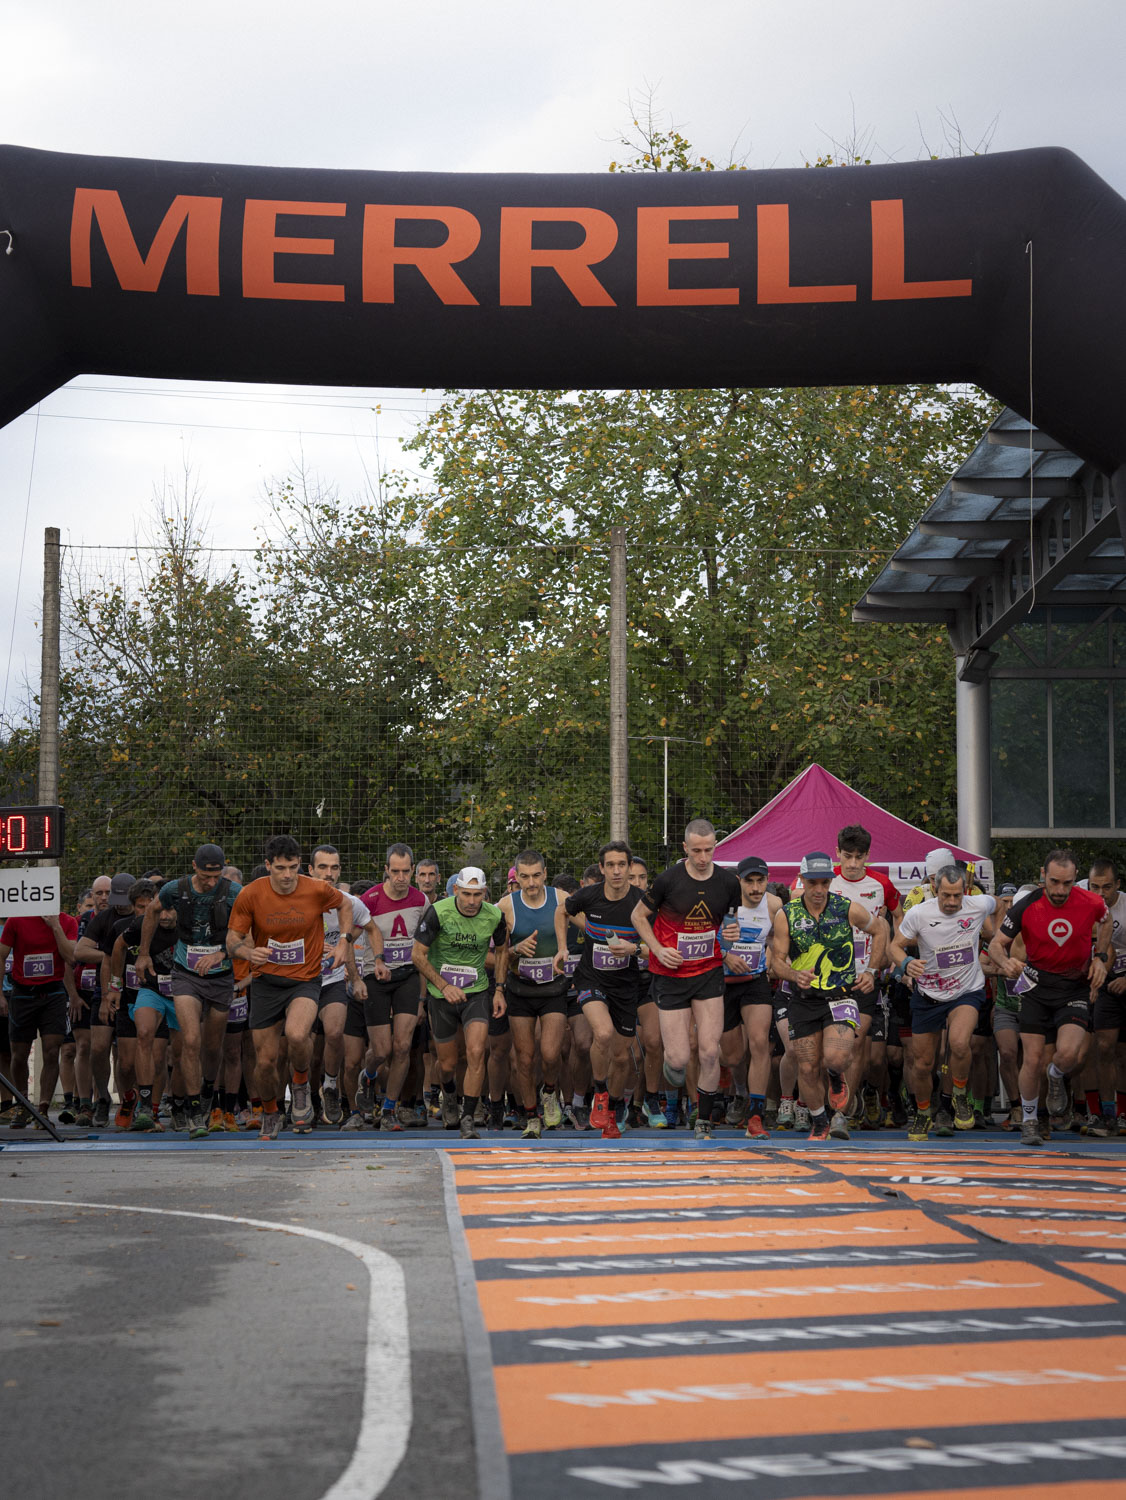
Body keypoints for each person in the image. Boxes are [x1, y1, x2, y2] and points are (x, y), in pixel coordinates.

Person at [226, 834, 351, 1140]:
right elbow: (231, 941)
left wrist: (344, 942)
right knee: (265, 1062)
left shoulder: (316, 889)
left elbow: (346, 904)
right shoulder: (250, 894)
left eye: (293, 867)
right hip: (266, 982)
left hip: (304, 979)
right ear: (268, 865)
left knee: (296, 1034)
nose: (287, 875)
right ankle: (270, 1112)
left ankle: (300, 1083)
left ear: (300, 865)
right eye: (280, 868)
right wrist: (248, 953)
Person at [988, 847, 1112, 1147]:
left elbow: (1106, 922)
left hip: (1074, 987)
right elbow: (996, 944)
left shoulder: (1091, 902)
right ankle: (1030, 1121)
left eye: (1067, 883)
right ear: (1043, 875)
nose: (1059, 890)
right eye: (1054, 882)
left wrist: (1100, 957)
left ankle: (1056, 1075)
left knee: (1069, 1054)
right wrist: (1005, 963)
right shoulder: (1026, 905)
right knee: (1031, 1059)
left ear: (1075, 878)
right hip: (1036, 987)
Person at [630, 819, 742, 1142]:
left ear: (715, 846)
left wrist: (731, 935)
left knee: (709, 1051)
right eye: (696, 851)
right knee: (678, 1058)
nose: (703, 857)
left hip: (708, 971)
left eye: (708, 850)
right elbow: (637, 916)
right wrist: (657, 949)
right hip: (671, 974)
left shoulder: (728, 883)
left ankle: (703, 1120)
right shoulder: (668, 880)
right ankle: (674, 1070)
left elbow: (729, 925)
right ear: (685, 848)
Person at [770, 850, 886, 1141]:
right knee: (807, 1066)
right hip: (803, 999)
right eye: (813, 883)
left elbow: (880, 930)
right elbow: (776, 963)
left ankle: (835, 1076)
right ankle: (820, 1122)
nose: (819, 890)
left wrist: (871, 971)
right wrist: (794, 975)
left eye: (825, 883)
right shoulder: (787, 915)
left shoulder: (847, 908)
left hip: (840, 996)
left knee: (836, 1058)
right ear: (802, 880)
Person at [138, 846, 241, 1139]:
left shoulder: (234, 892)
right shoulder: (175, 889)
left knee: (212, 1046)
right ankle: (194, 1110)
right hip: (186, 973)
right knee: (191, 1041)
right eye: (205, 876)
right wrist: (143, 953)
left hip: (221, 976)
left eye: (216, 876)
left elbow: (251, 931)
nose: (211, 882)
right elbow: (151, 911)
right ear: (194, 866)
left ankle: (208, 1088)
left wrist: (223, 954)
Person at [890, 865, 997, 1139]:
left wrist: (989, 932)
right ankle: (923, 1113)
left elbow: (1000, 908)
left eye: (957, 896)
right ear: (935, 889)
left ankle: (959, 1094)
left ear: (965, 891)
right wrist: (907, 962)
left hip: (966, 991)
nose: (951, 902)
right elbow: (894, 946)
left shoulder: (979, 904)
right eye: (946, 895)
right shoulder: (919, 913)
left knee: (960, 1043)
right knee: (923, 1064)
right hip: (929, 994)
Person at [412, 866, 508, 1139]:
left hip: (476, 992)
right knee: (447, 1064)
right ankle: (450, 1096)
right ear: (456, 890)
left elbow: (502, 951)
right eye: (466, 894)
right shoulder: (438, 912)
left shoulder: (494, 916)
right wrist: (444, 986)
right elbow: (417, 955)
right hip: (441, 996)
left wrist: (499, 990)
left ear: (485, 893)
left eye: (478, 895)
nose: (472, 901)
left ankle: (468, 1117)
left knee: (477, 1051)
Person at [559, 842, 645, 1139]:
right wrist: (562, 947)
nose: (617, 871)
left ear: (629, 867)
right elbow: (561, 911)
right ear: (602, 868)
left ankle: (614, 1110)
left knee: (621, 1057)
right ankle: (599, 1093)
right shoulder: (589, 896)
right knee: (603, 1033)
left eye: (622, 864)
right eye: (611, 865)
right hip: (591, 979)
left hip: (626, 985)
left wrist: (633, 949)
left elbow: (658, 948)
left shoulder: (642, 903)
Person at [353, 843, 429, 1132]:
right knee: (381, 1051)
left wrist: (422, 998)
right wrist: (356, 977)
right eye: (395, 871)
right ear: (386, 870)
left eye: (406, 871)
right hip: (377, 978)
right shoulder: (370, 899)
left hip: (408, 976)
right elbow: (350, 939)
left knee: (403, 1047)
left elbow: (427, 950)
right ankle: (368, 1075)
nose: (401, 878)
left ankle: (389, 1109)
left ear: (412, 870)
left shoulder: (421, 901)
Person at [831, 825, 898, 1135]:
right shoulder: (826, 882)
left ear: (868, 855)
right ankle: (836, 1099)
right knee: (834, 1049)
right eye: (848, 856)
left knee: (857, 1045)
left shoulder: (882, 883)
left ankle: (840, 1114)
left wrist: (886, 958)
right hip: (830, 980)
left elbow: (897, 919)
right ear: (837, 853)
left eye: (859, 857)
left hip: (865, 978)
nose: (853, 863)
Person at [498, 849, 570, 1138]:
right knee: (524, 1059)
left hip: (553, 987)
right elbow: (498, 955)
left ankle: (549, 1092)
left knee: (551, 1054)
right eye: (525, 877)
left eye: (536, 876)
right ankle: (531, 1117)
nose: (531, 883)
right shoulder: (506, 906)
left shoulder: (561, 899)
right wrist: (516, 950)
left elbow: (591, 927)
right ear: (516, 877)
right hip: (521, 988)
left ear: (545, 874)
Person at [307, 844, 376, 1127]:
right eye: (322, 867)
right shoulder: (295, 899)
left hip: (333, 979)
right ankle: (305, 1097)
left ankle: (330, 1087)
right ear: (310, 870)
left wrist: (366, 967)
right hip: (299, 981)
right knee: (303, 1048)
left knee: (335, 1033)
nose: (329, 873)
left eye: (334, 867)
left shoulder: (349, 902)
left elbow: (371, 927)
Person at [721, 855, 783, 1141]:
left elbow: (779, 941)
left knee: (759, 1044)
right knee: (733, 1056)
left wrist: (771, 959)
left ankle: (755, 1116)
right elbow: (704, 936)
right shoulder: (723, 902)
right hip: (723, 983)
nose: (756, 888)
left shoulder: (773, 905)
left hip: (756, 982)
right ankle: (740, 1092)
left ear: (767, 881)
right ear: (739, 881)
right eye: (750, 881)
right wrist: (726, 956)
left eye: (761, 881)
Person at [0, 905, 80, 1127]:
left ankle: (43, 1109)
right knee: (19, 1054)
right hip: (22, 994)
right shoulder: (16, 920)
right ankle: (23, 1105)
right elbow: (1, 955)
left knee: (52, 1051)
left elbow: (70, 957)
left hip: (53, 993)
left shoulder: (67, 921)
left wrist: (55, 926)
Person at [74, 870, 135, 1126]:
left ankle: (129, 1102)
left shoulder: (142, 915)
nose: (111, 902)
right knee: (98, 1048)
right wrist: (113, 955)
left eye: (111, 895)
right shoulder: (103, 918)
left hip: (135, 989)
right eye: (102, 894)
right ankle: (102, 1099)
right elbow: (80, 951)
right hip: (106, 986)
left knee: (126, 1057)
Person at [1087, 858, 1126, 1136]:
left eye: (1107, 887)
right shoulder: (1082, 905)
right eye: (1095, 887)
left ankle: (1122, 1113)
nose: (1101, 894)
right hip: (1102, 983)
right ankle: (1106, 1113)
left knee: (1124, 1053)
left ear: (1118, 885)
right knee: (1103, 1048)